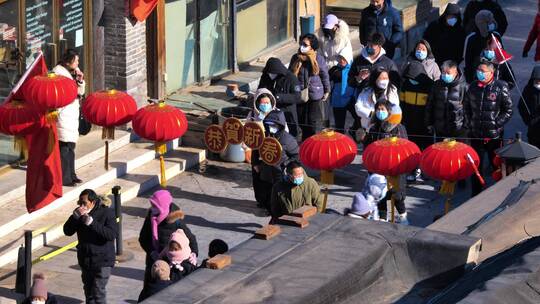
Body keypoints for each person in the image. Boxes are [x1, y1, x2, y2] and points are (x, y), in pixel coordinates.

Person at [464, 61, 512, 196]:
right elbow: (466, 107)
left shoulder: (500, 87)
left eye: (483, 71)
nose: (480, 73)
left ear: (491, 72)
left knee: (497, 166)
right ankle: (476, 195)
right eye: (478, 70)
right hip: (476, 134)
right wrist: (469, 123)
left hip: (494, 136)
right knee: (475, 167)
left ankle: (500, 193)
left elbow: (508, 110)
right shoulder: (473, 86)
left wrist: (496, 123)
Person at [63, 189, 117, 304]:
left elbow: (111, 234)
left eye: (84, 203)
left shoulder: (107, 213)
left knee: (98, 292)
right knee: (89, 292)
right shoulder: (79, 213)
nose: (82, 206)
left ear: (93, 202)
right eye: (80, 203)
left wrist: (92, 223)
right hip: (86, 259)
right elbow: (67, 231)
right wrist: (74, 217)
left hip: (103, 260)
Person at [138, 189, 198, 286]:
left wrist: (194, 253)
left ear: (162, 206)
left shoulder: (175, 221)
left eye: (155, 206)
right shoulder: (150, 217)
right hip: (154, 263)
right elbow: (143, 238)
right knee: (150, 289)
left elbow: (191, 239)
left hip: (171, 265)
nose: (152, 208)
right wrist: (151, 252)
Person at [363, 101, 408, 223]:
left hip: (395, 167)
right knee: (380, 193)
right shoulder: (373, 128)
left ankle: (403, 216)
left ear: (389, 111)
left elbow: (405, 147)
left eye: (382, 109)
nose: (380, 112)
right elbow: (368, 147)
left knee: (397, 194)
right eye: (378, 109)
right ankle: (383, 217)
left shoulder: (398, 128)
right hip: (378, 167)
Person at [251, 110, 299, 213]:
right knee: (266, 192)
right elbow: (255, 149)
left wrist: (286, 165)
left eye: (273, 125)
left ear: (280, 125)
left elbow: (296, 155)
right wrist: (255, 163)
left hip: (280, 172)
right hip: (266, 171)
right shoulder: (264, 136)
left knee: (280, 195)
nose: (270, 127)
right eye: (268, 125)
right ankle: (268, 208)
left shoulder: (288, 140)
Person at [288, 33, 331, 141]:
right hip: (300, 93)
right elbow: (290, 74)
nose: (302, 46)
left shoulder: (318, 59)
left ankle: (312, 141)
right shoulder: (296, 58)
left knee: (313, 121)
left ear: (312, 46)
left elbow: (324, 75)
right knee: (301, 120)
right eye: (301, 43)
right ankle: (305, 141)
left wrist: (327, 90)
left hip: (314, 93)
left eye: (305, 44)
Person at [53, 49, 85, 187]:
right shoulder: (58, 75)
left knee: (71, 147)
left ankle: (72, 174)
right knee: (65, 149)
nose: (78, 63)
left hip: (72, 115)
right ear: (68, 62)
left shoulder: (71, 74)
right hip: (64, 116)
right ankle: (65, 178)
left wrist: (80, 81)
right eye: (76, 61)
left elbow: (80, 93)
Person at [425, 60, 469, 141]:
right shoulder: (436, 85)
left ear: (455, 73)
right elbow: (429, 105)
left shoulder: (464, 87)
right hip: (439, 129)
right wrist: (429, 123)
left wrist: (465, 126)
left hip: (458, 130)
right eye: (443, 72)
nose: (445, 75)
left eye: (448, 73)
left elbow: (468, 109)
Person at [258, 57, 302, 138]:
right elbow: (260, 89)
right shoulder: (266, 76)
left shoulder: (291, 78)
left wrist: (278, 97)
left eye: (273, 73)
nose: (270, 74)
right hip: (269, 111)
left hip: (287, 111)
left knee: (290, 134)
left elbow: (297, 97)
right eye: (269, 72)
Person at [400, 60, 435, 153]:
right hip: (409, 121)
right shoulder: (405, 84)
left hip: (424, 122)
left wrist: (430, 121)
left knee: (426, 146)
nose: (412, 80)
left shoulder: (430, 86)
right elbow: (402, 103)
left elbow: (431, 105)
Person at [464, 10, 503, 83]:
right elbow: (468, 61)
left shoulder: (496, 36)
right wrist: (469, 80)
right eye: (489, 22)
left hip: (494, 77)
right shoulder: (472, 38)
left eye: (492, 21)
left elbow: (502, 57)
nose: (491, 24)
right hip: (477, 77)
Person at [329, 48, 361, 137]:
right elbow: (326, 79)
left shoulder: (354, 69)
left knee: (359, 118)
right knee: (339, 126)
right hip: (338, 100)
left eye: (344, 58)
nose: (341, 60)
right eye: (340, 58)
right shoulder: (334, 69)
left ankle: (353, 131)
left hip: (351, 99)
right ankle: (339, 142)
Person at [518, 66, 540, 149]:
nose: (538, 82)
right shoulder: (528, 89)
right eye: (536, 80)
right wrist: (528, 120)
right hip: (533, 130)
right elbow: (521, 106)